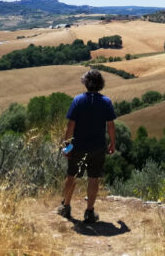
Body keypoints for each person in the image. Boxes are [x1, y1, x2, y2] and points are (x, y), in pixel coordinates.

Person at [57, 69, 116, 223]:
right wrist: (112, 143)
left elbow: (70, 125)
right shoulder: (106, 102)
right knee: (93, 179)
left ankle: (66, 207)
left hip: (78, 147)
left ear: (86, 83)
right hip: (98, 147)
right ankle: (89, 212)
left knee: (72, 177)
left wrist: (66, 145)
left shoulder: (78, 100)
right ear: (100, 84)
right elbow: (110, 126)